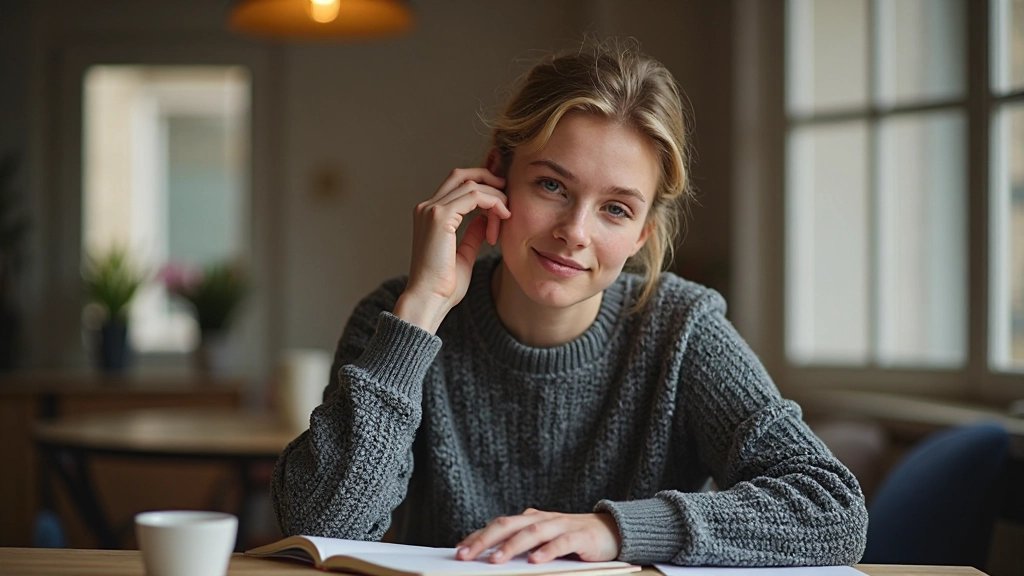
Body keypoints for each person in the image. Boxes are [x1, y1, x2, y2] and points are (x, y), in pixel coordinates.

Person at [271, 39, 868, 567]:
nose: (575, 232)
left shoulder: (682, 329)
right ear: (497, 177)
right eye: (552, 185)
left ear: (642, 235)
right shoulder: (399, 320)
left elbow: (833, 509)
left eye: (616, 208)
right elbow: (321, 526)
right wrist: (423, 309)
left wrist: (616, 530)